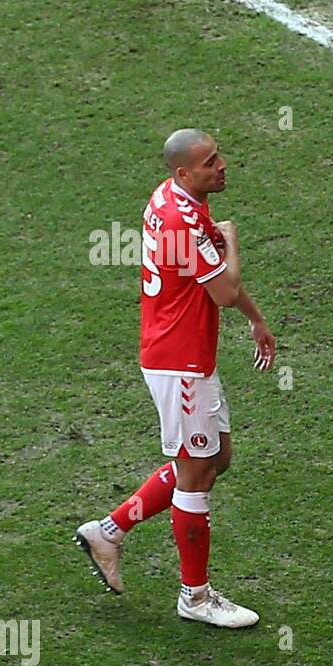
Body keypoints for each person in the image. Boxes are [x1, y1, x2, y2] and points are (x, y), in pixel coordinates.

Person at [75, 129, 275, 628]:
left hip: (185, 356)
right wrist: (231, 241)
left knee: (215, 459)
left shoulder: (173, 198)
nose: (222, 166)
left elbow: (219, 289)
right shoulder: (181, 219)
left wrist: (256, 319)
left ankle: (110, 531)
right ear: (184, 172)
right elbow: (223, 290)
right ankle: (195, 595)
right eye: (211, 162)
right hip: (178, 362)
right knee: (196, 473)